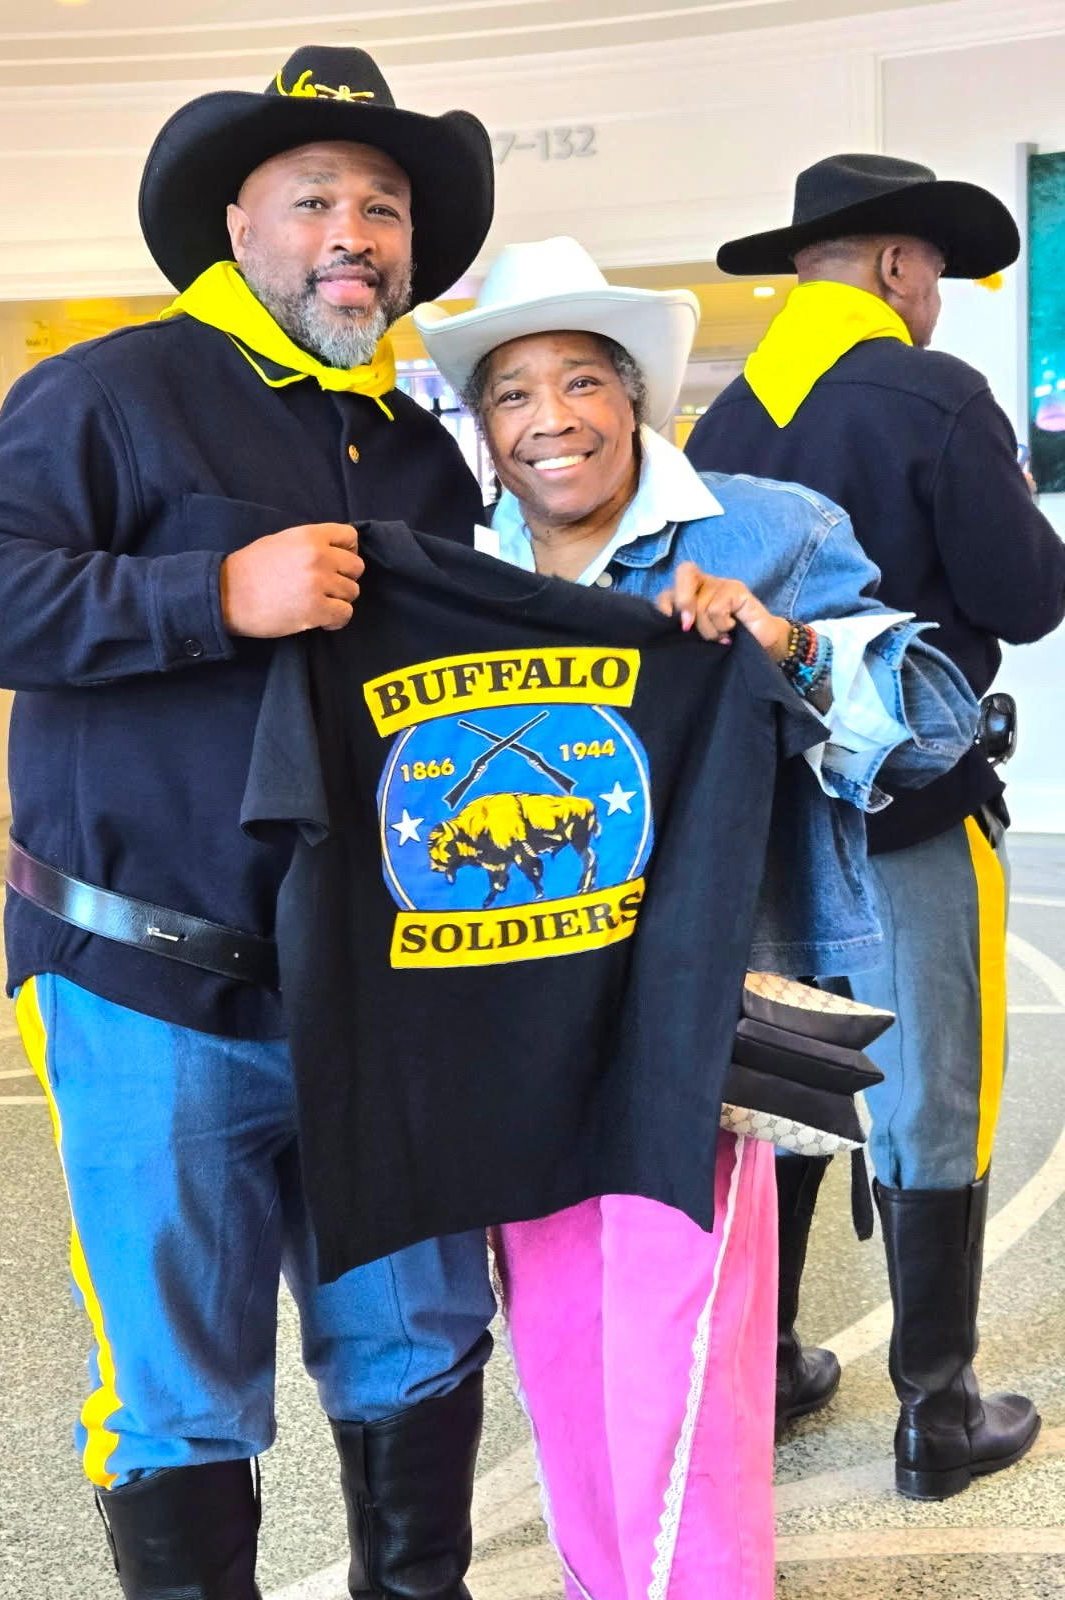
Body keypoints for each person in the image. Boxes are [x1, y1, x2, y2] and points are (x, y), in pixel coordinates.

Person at [0, 46, 498, 1599]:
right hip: (146, 990)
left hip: (384, 997)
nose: (352, 232)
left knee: (421, 1341)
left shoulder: (425, 455)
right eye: (314, 200)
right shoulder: (109, 392)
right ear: (239, 226)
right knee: (177, 1393)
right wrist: (213, 593)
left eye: (383, 206)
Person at [415, 235, 978, 1597]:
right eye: (512, 393)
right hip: (516, 1029)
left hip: (701, 1027)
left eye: (581, 382)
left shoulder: (766, 530)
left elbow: (937, 723)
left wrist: (786, 644)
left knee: (684, 1361)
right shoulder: (452, 569)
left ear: (634, 395)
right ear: (482, 427)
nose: (551, 419)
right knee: (562, 1355)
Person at [688, 153, 1065, 1500]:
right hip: (908, 800)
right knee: (933, 1091)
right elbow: (1026, 598)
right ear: (899, 269)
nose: (936, 298)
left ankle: (774, 1365)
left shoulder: (720, 426)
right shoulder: (936, 394)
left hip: (762, 818)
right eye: (938, 276)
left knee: (788, 1080)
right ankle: (937, 1411)